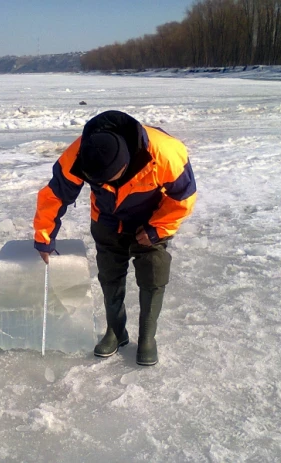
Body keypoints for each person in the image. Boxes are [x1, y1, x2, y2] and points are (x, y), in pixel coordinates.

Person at [33, 110, 196, 366]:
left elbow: (183, 198)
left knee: (153, 272)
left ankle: (147, 338)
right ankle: (116, 332)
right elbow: (55, 194)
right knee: (109, 276)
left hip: (151, 218)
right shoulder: (81, 152)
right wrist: (44, 237)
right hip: (107, 220)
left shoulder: (165, 152)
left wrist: (156, 229)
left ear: (124, 164)